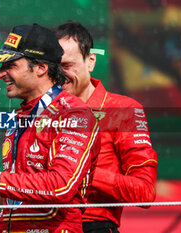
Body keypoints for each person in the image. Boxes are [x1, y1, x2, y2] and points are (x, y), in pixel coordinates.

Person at [0, 23, 100, 233]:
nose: (0, 74)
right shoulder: (17, 118)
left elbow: (61, 186)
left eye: (10, 65)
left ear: (41, 68)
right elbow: (21, 199)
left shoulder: (74, 114)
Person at [53, 21, 158, 233]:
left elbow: (144, 192)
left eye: (66, 66)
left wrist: (79, 172)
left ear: (90, 61)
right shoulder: (42, 110)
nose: (59, 76)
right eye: (53, 67)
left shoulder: (123, 109)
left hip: (91, 226)